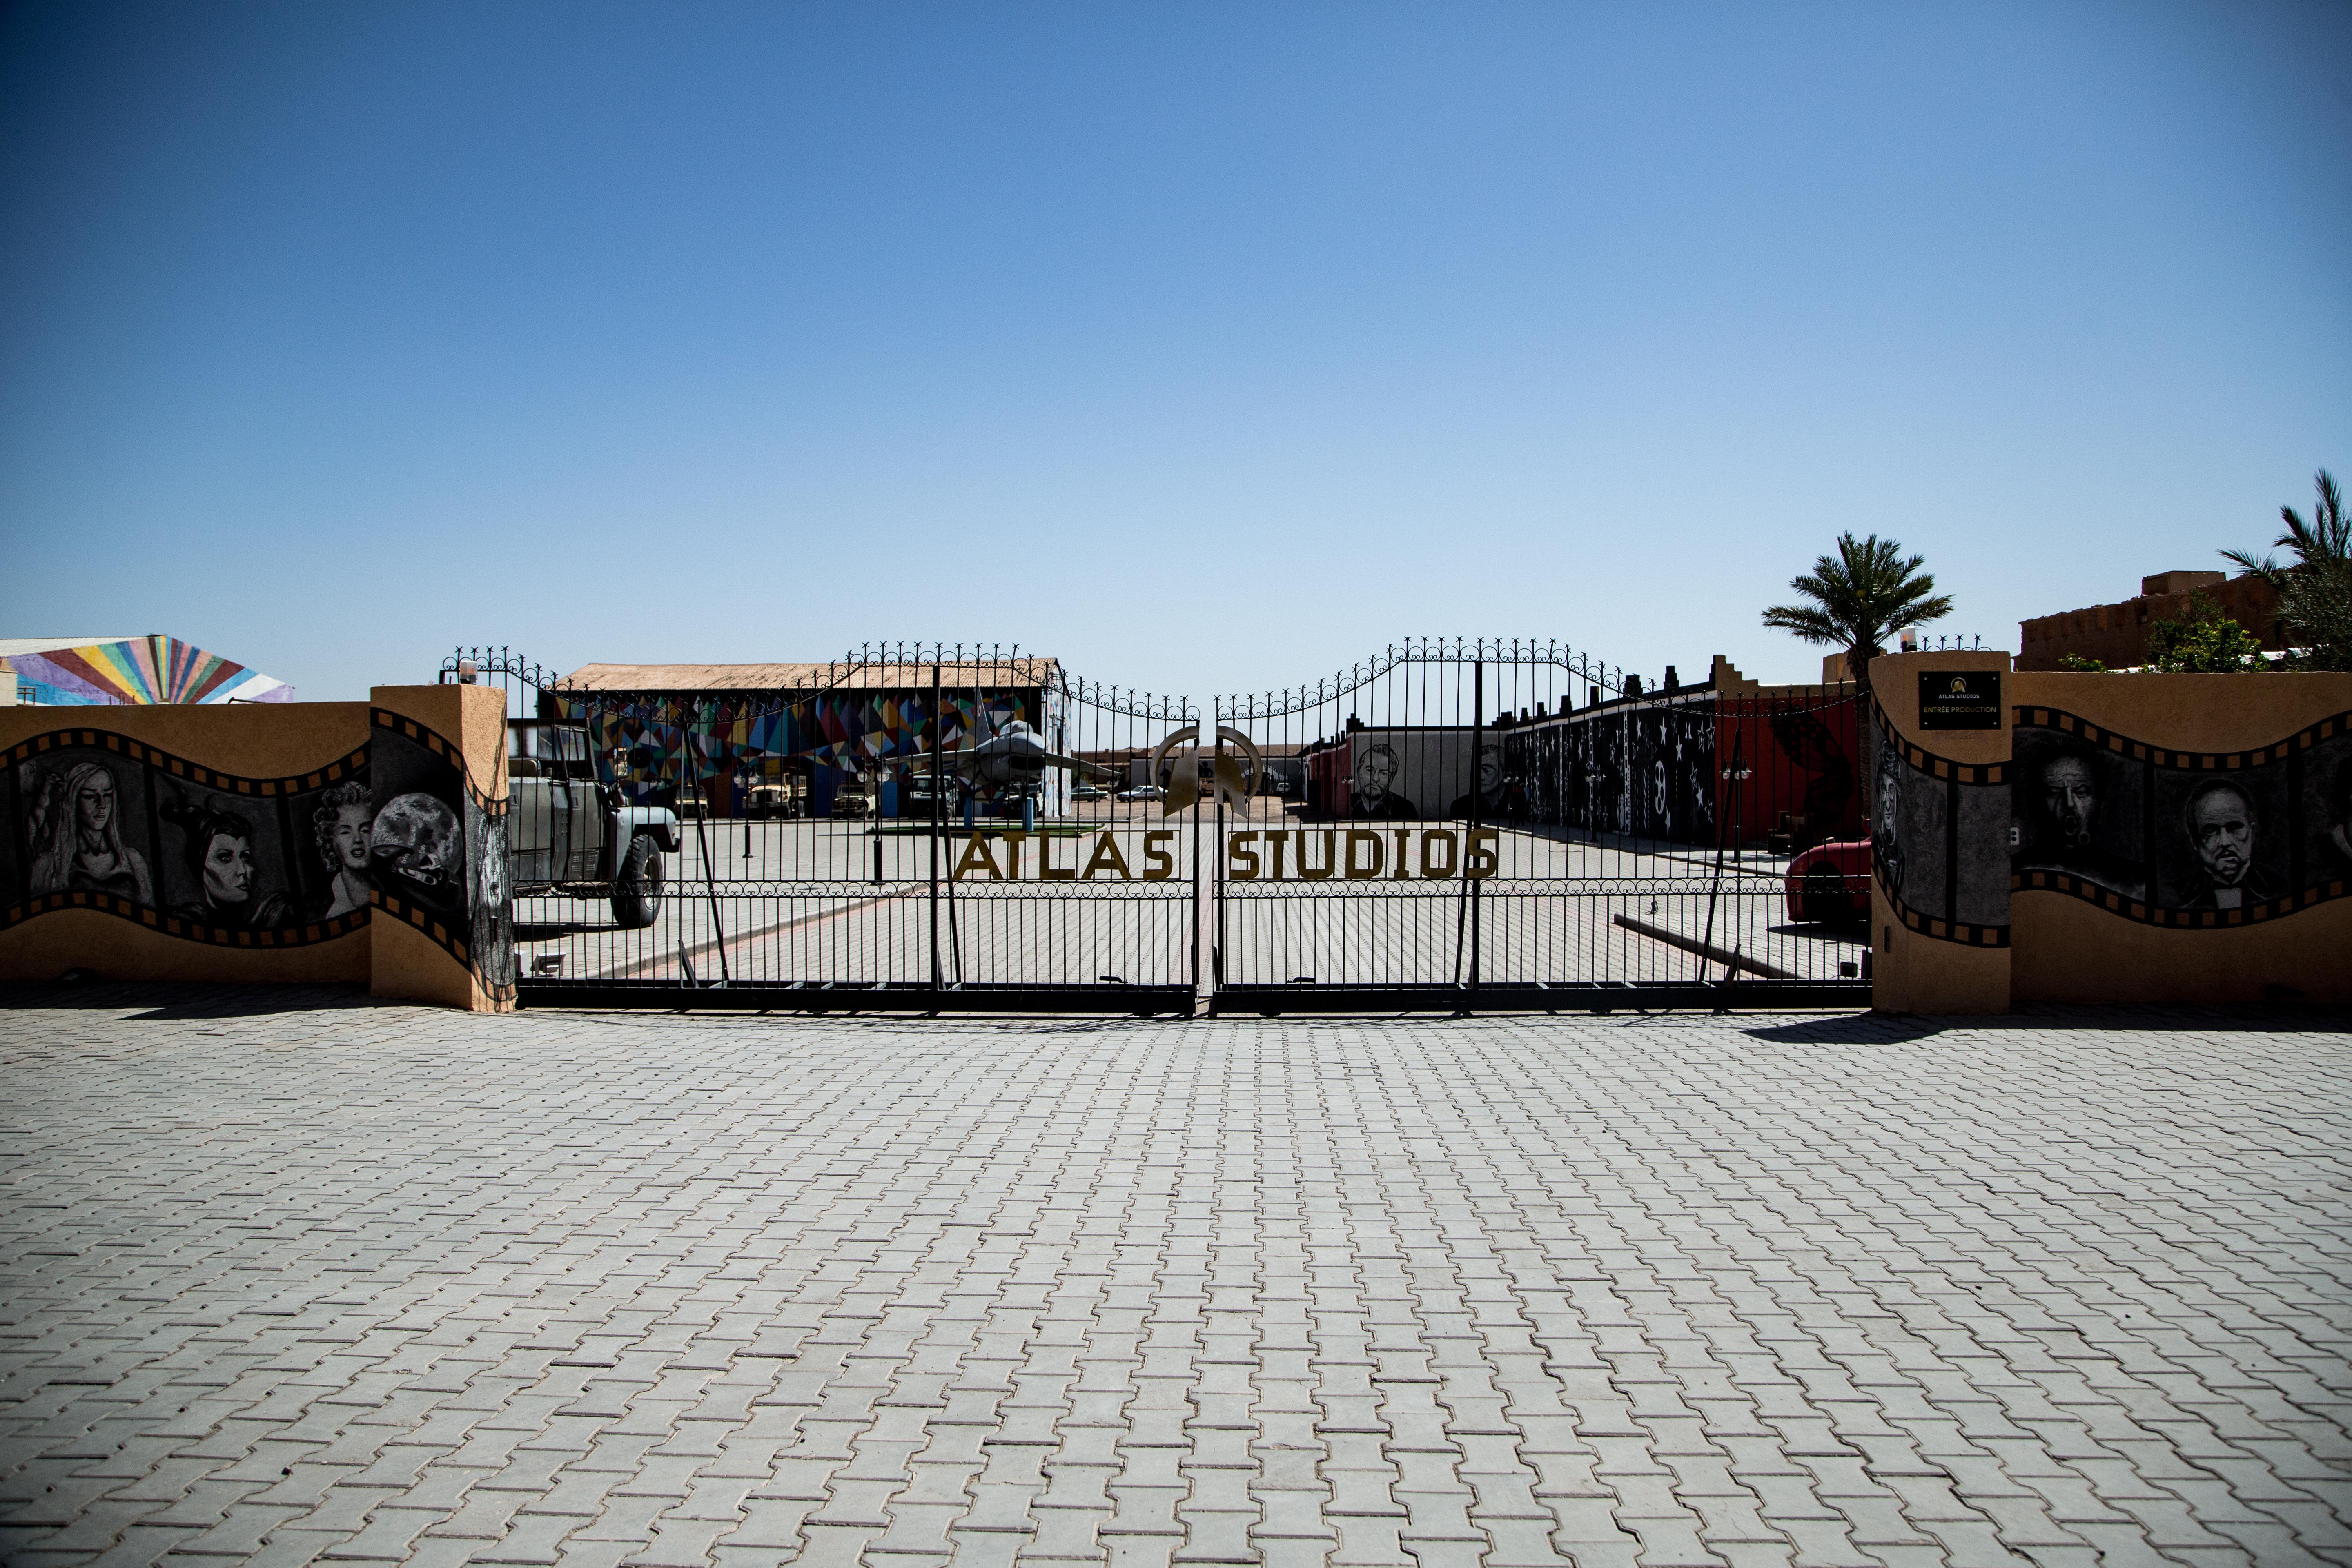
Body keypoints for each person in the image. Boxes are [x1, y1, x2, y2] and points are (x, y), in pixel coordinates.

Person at [2019, 746, 2144, 898]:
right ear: (2036, 805)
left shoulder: (2136, 880)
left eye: (2081, 792)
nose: (2069, 804)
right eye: (2053, 792)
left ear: (2100, 803)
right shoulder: (2016, 870)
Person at [27, 760, 154, 904]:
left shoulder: (133, 860)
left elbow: (151, 908)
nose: (102, 805)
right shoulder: (47, 864)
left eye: (107, 795)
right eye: (90, 796)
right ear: (73, 801)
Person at [160, 798, 293, 929]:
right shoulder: (185, 921)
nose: (243, 870)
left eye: (245, 858)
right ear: (200, 867)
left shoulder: (276, 914)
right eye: (225, 858)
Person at [2182, 779, 2272, 910]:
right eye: (2210, 830)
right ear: (2195, 840)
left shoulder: (2283, 887)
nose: (2225, 843)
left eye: (2235, 827)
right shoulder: (2172, 894)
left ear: (2252, 833)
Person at [312, 780, 373, 919]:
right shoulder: (331, 911)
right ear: (331, 841)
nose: (357, 839)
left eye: (365, 830)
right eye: (346, 832)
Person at [1351, 744, 1417, 820]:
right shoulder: (1344, 804)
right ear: (1359, 771)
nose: (1375, 779)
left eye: (1384, 773)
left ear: (1391, 778)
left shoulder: (1406, 808)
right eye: (1370, 770)